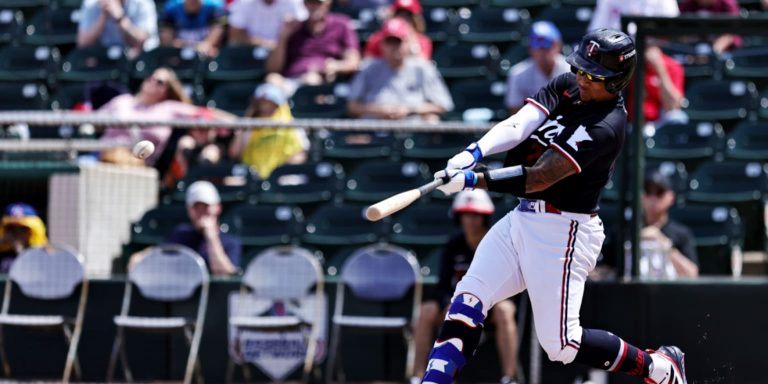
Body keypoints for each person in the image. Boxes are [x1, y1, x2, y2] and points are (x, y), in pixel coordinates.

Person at [420, 29, 688, 384]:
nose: (581, 78)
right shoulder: (568, 85)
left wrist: (475, 180)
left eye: (592, 76)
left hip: (564, 232)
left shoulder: (606, 126)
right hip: (522, 218)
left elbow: (540, 177)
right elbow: (521, 124)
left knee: (561, 344)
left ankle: (660, 368)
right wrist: (474, 152)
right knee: (468, 298)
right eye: (580, 69)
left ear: (615, 82)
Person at [412, 190, 519, 384]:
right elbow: (443, 284)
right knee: (426, 311)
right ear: (459, 217)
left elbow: (505, 281)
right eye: (466, 214)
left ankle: (508, 377)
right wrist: (448, 302)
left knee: (505, 310)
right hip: (455, 303)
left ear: (484, 217)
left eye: (476, 215)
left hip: (491, 304)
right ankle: (417, 375)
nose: (470, 220)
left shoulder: (496, 243)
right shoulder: (453, 245)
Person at [97, 67, 233, 167]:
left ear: (167, 90)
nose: (153, 81)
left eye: (160, 81)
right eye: (151, 77)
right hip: (102, 157)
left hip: (138, 164)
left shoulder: (169, 107)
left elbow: (203, 113)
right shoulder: (122, 101)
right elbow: (92, 120)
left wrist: (240, 122)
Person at [347, 18, 453, 121]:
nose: (395, 47)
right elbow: (352, 106)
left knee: (432, 119)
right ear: (382, 44)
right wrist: (378, 110)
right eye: (390, 41)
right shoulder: (368, 67)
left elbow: (443, 105)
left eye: (398, 41)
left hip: (413, 129)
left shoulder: (422, 68)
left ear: (408, 43)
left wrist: (409, 110)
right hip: (375, 127)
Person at [128, 181, 240, 275]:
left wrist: (211, 237)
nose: (202, 212)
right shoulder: (181, 234)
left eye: (206, 206)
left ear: (217, 208)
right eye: (197, 207)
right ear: (190, 211)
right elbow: (157, 252)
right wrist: (139, 258)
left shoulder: (230, 242)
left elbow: (224, 273)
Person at [265, 0, 360, 97]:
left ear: (328, 3)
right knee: (272, 79)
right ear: (304, 5)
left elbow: (353, 62)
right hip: (290, 81)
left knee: (311, 80)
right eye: (309, 2)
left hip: (320, 81)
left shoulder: (341, 24)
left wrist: (336, 66)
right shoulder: (294, 27)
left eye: (318, 3)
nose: (313, 6)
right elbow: (273, 68)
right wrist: (283, 36)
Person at [231, 83, 309, 179]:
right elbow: (234, 153)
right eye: (261, 102)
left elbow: (300, 155)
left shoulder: (290, 123)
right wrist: (246, 122)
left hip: (283, 175)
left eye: (269, 102)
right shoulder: (250, 125)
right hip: (253, 176)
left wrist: (279, 173)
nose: (265, 106)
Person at [641, 171, 699, 278]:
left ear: (671, 197)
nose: (653, 198)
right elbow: (606, 270)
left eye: (659, 192)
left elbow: (692, 274)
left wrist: (664, 243)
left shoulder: (681, 233)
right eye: (648, 192)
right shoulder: (626, 231)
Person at [505, 21, 570, 114]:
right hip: (532, 124)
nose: (543, 52)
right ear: (530, 49)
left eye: (548, 46)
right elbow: (514, 110)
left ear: (558, 46)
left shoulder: (571, 70)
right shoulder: (518, 74)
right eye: (538, 47)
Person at [77, 0, 159, 59]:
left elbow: (141, 41)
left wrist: (119, 18)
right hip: (105, 59)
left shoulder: (143, 3)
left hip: (139, 59)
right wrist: (103, 16)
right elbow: (83, 44)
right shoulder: (91, 3)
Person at [627, 45, 686, 126]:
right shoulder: (629, 63)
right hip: (631, 123)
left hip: (658, 124)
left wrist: (659, 67)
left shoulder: (672, 65)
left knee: (677, 117)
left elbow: (673, 106)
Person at [363, 0, 432, 60]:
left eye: (408, 16)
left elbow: (423, 67)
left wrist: (412, 45)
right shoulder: (378, 39)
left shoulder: (422, 41)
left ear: (415, 20)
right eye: (399, 15)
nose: (403, 19)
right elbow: (368, 65)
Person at [227, 0, 308, 49]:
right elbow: (235, 34)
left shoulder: (293, 2)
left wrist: (293, 23)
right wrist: (265, 43)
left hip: (284, 53)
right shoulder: (244, 2)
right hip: (247, 53)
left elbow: (305, 23)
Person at [159, 0, 228, 57]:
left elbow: (217, 33)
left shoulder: (214, 6)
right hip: (179, 56)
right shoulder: (172, 8)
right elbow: (168, 42)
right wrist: (196, 46)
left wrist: (205, 45)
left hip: (207, 57)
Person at [0, 203, 48, 273]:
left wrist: (20, 252)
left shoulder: (42, 253)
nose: (17, 232)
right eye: (11, 228)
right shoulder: (4, 254)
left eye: (23, 229)